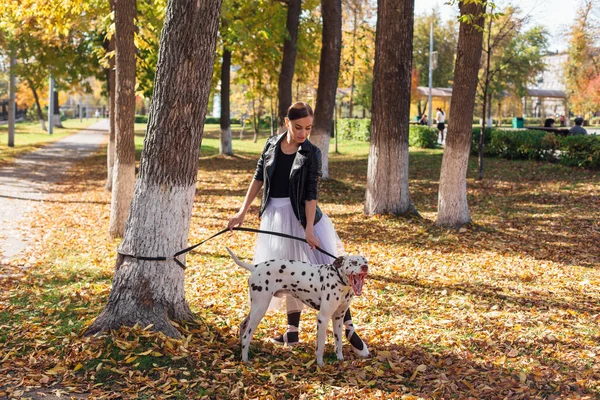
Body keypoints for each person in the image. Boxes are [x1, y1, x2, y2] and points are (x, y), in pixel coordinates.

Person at [227, 101, 369, 357]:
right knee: (290, 274)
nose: (303, 133)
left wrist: (308, 228)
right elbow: (258, 178)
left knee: (332, 274)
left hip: (305, 218)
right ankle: (292, 331)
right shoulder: (271, 144)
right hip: (274, 215)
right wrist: (242, 212)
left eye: (308, 128)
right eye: (298, 127)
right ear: (286, 123)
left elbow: (311, 193)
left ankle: (348, 328)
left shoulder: (311, 152)